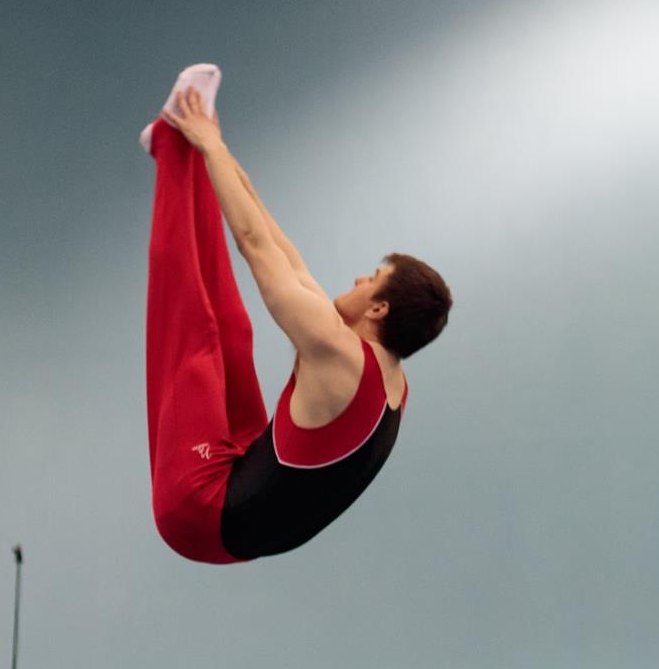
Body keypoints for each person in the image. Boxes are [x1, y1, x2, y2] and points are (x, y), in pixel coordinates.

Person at [141, 64, 451, 563]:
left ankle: (169, 145)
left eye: (371, 277)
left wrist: (209, 145)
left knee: (195, 334)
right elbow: (280, 246)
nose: (357, 279)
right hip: (242, 480)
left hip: (198, 513)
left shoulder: (338, 354)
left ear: (378, 306)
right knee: (234, 330)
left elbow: (252, 243)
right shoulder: (389, 379)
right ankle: (188, 143)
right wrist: (215, 144)